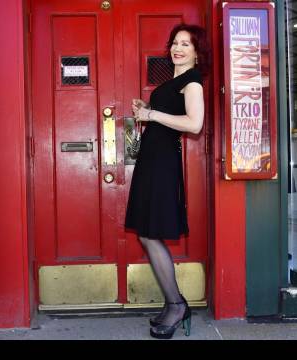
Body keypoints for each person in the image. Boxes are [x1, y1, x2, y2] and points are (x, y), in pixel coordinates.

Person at [125, 23, 208, 339]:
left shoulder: (193, 82)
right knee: (146, 234)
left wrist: (152, 116)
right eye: (175, 43)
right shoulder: (174, 81)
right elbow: (167, 116)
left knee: (151, 233)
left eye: (186, 44)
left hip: (163, 165)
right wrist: (147, 109)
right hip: (152, 160)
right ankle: (174, 302)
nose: (178, 48)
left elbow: (195, 124)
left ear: (197, 52)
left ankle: (177, 305)